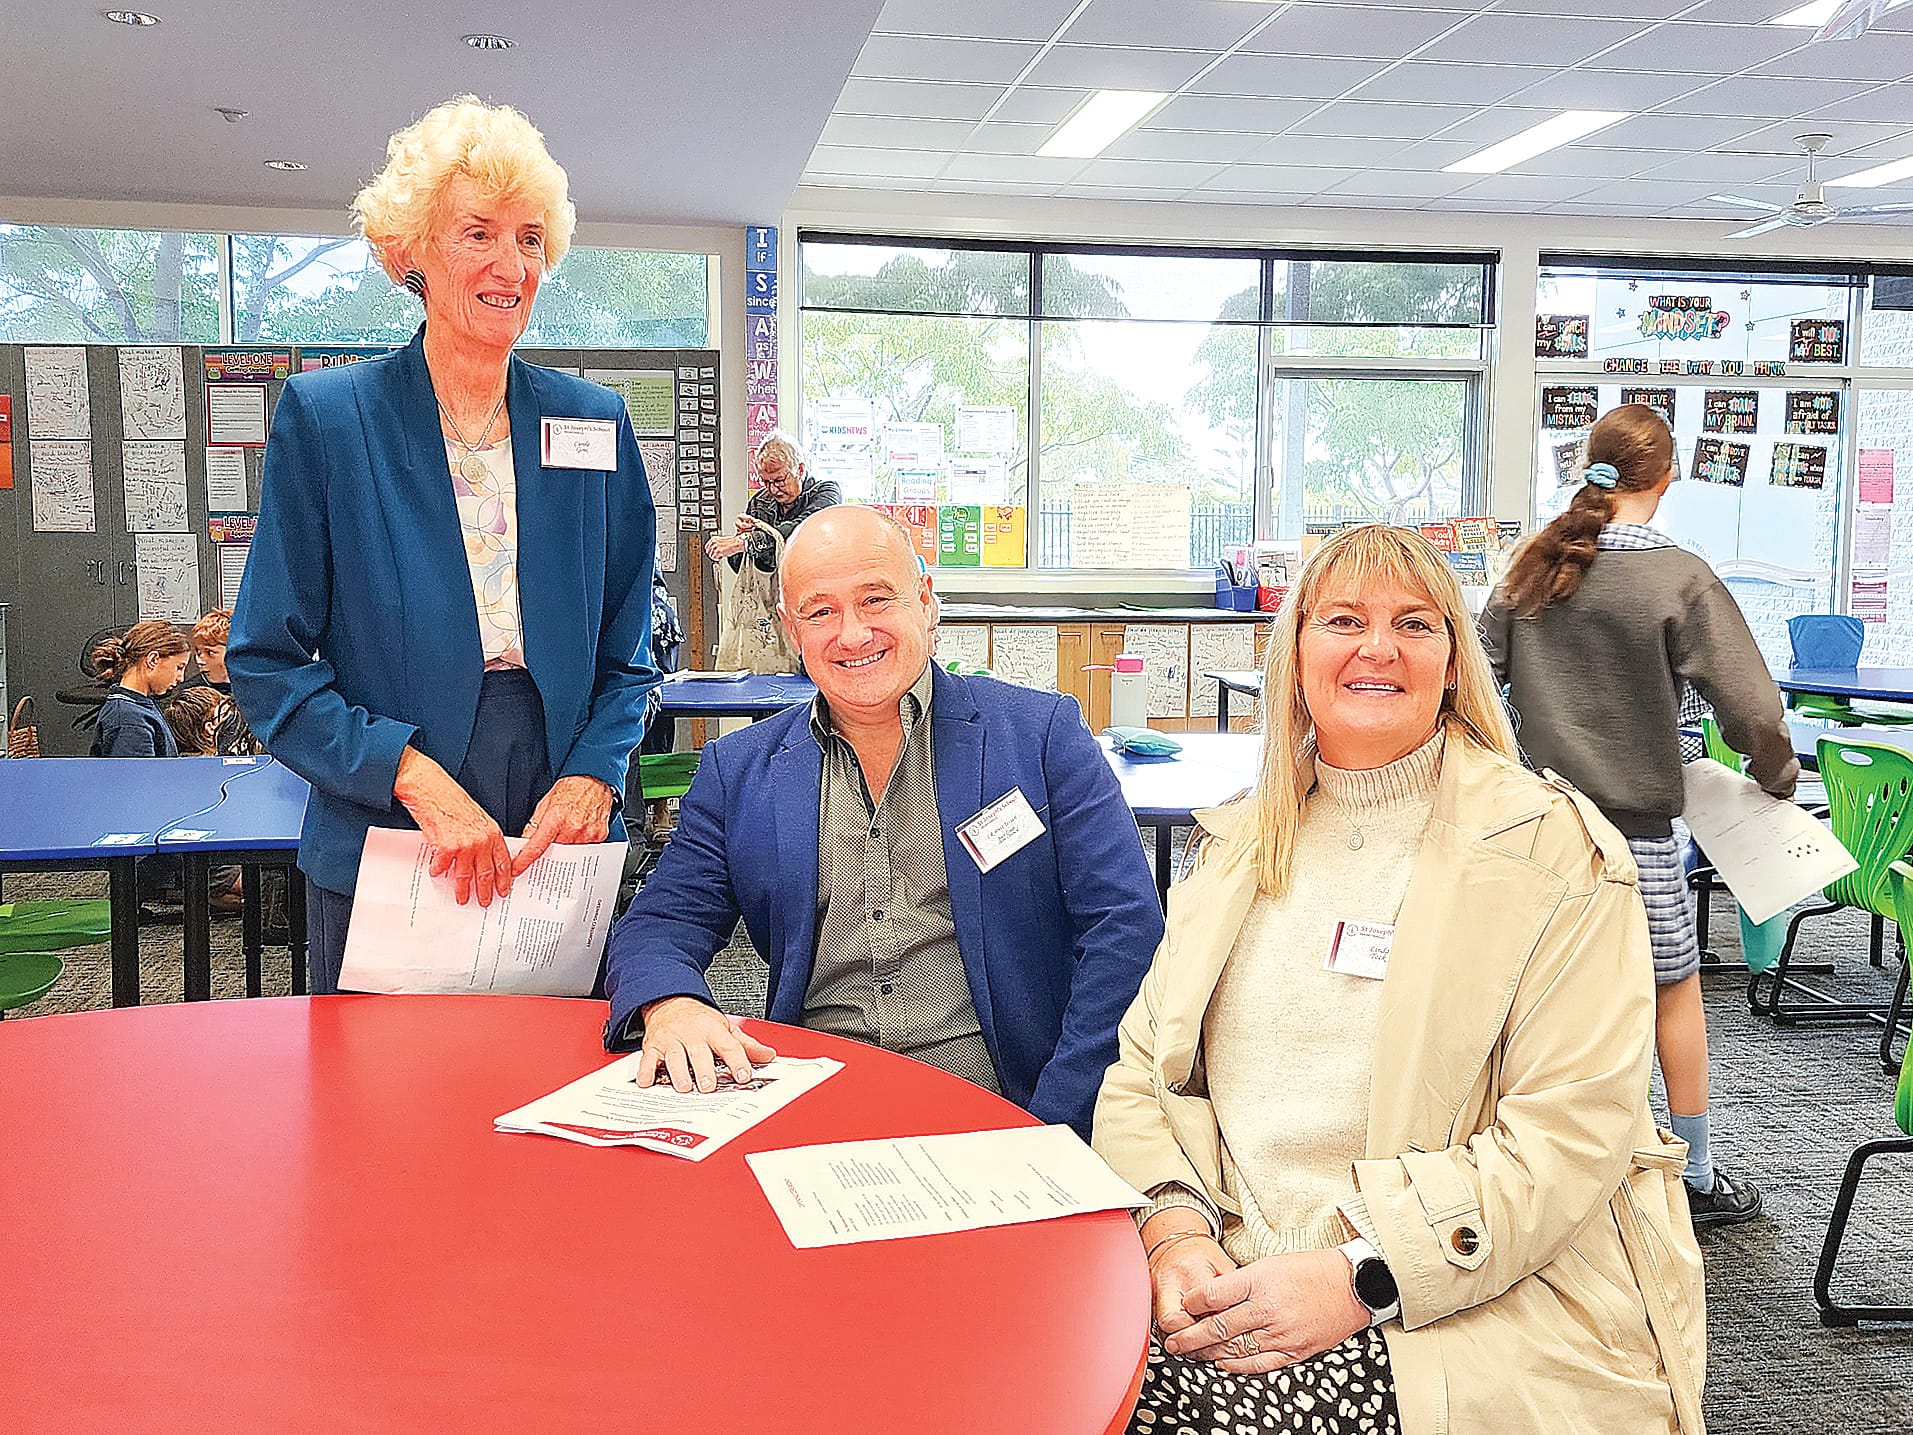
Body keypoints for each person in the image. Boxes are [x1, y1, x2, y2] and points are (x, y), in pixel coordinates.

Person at [1094, 525, 1706, 1435]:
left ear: (1453, 662)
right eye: (1342, 619)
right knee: (1034, 1378)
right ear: (1293, 652)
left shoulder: (1556, 853)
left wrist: (1361, 1273)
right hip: (1229, 1266)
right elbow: (1144, 1073)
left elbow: (1568, 1131)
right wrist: (1173, 1228)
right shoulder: (1231, 847)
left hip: (1453, 1288)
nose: (1376, 647)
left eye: (1414, 624)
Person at [229, 96, 660, 994]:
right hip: (389, 818)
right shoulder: (330, 421)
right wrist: (410, 775)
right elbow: (267, 663)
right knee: (383, 1106)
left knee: (555, 1100)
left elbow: (633, 648)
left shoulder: (593, 423)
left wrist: (595, 775)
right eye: (478, 234)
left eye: (532, 239)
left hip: (559, 826)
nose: (511, 266)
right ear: (409, 251)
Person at [602, 505, 1163, 1137]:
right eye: (820, 612)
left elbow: (1126, 930)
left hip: (1000, 1107)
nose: (852, 634)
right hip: (808, 1109)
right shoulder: (739, 771)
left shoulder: (1040, 738)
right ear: (791, 629)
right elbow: (659, 922)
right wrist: (671, 1002)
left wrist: (1055, 1123)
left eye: (876, 600)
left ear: (925, 602)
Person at [1482, 403, 1796, 1228]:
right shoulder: (1680, 576)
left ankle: (1528, 1162)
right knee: (1671, 993)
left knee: (1535, 996)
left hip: (1536, 833)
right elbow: (1753, 708)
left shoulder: (1530, 567)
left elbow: (1471, 680)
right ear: (1668, 476)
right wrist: (1777, 778)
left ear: (1590, 466)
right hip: (1639, 835)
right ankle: (1691, 1171)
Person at [703, 430, 840, 573]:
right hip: (773, 592)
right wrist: (741, 535)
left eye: (779, 480)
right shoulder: (759, 502)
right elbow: (741, 569)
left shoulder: (827, 491)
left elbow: (803, 527)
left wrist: (746, 541)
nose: (773, 490)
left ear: (799, 470)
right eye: (766, 482)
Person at [91, 621, 190, 757]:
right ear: (153, 659)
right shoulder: (129, 720)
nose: (181, 678)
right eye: (179, 667)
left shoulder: (137, 708)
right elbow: (137, 777)